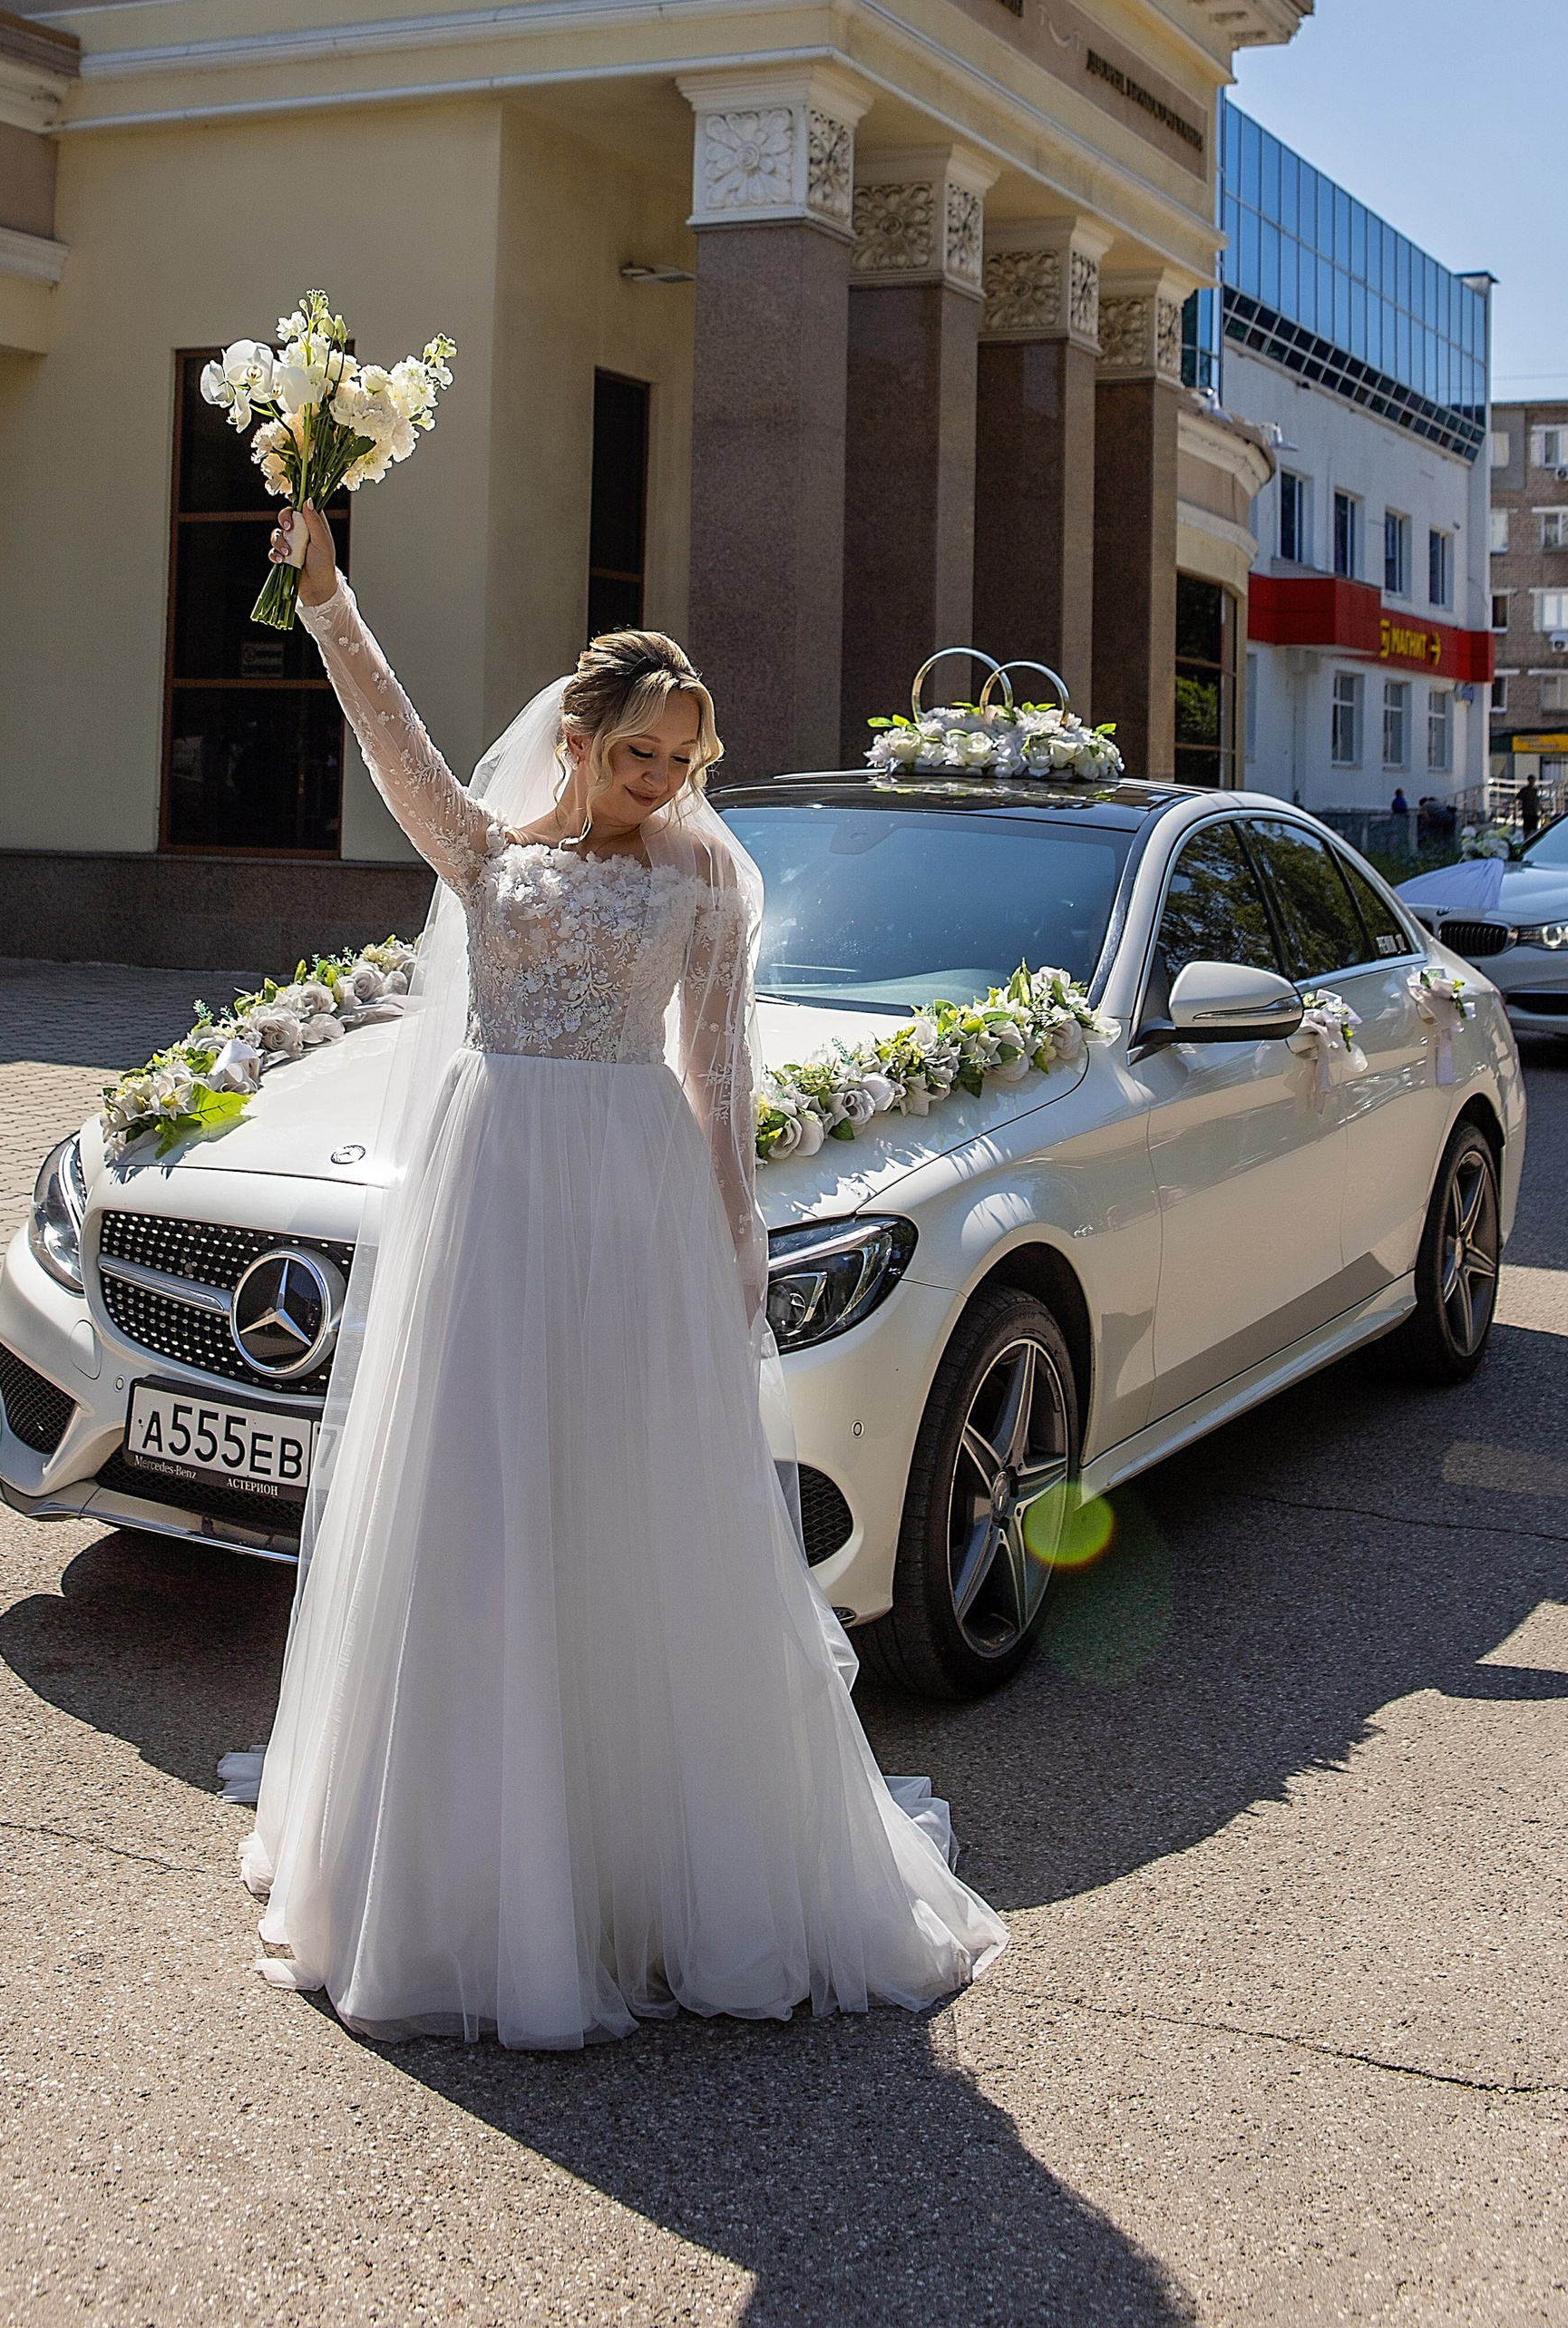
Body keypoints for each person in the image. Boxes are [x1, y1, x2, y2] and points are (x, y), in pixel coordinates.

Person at [219, 501, 1005, 2050]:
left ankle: (644, 1860)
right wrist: (324, 596)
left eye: (683, 763)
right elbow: (394, 744)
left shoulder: (706, 884)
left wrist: (733, 1262)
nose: (662, 784)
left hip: (634, 1204)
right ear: (578, 738)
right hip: (492, 1192)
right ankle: (470, 1870)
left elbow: (718, 1083)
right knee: (479, 1498)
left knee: (624, 1509)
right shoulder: (487, 853)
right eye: (640, 754)